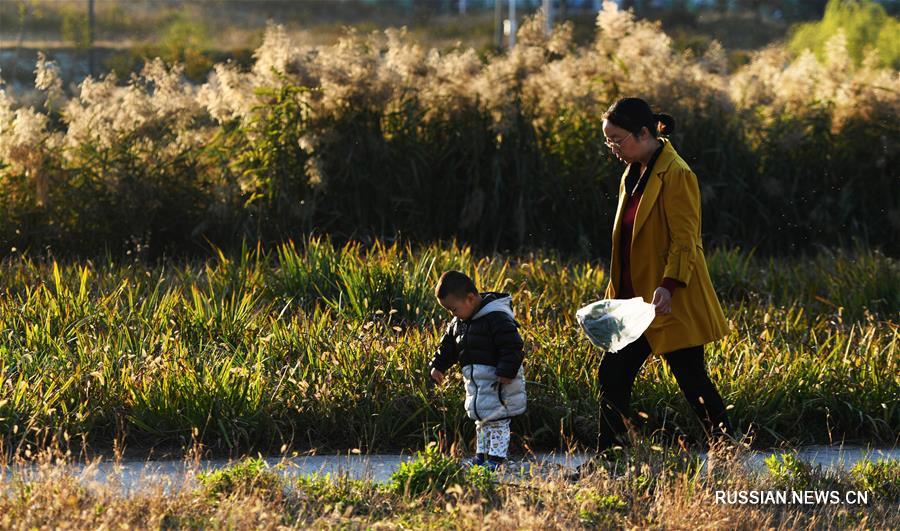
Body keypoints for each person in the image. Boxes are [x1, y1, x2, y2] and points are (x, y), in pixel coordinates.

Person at [587, 97, 734, 468]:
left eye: (618, 140)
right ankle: (611, 459)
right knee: (612, 375)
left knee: (692, 381)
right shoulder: (633, 171)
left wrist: (668, 286)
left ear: (645, 133)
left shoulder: (678, 173)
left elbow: (686, 240)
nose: (613, 149)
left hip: (668, 300)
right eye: (609, 142)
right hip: (635, 304)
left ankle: (729, 454)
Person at [429, 270, 526, 471]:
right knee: (481, 421)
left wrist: (506, 372)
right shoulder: (459, 323)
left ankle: (496, 460)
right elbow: (447, 346)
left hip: (499, 381)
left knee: (497, 422)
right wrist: (438, 365)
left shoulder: (497, 317)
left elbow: (512, 346)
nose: (452, 314)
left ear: (470, 298)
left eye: (453, 309)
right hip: (476, 383)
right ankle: (481, 457)